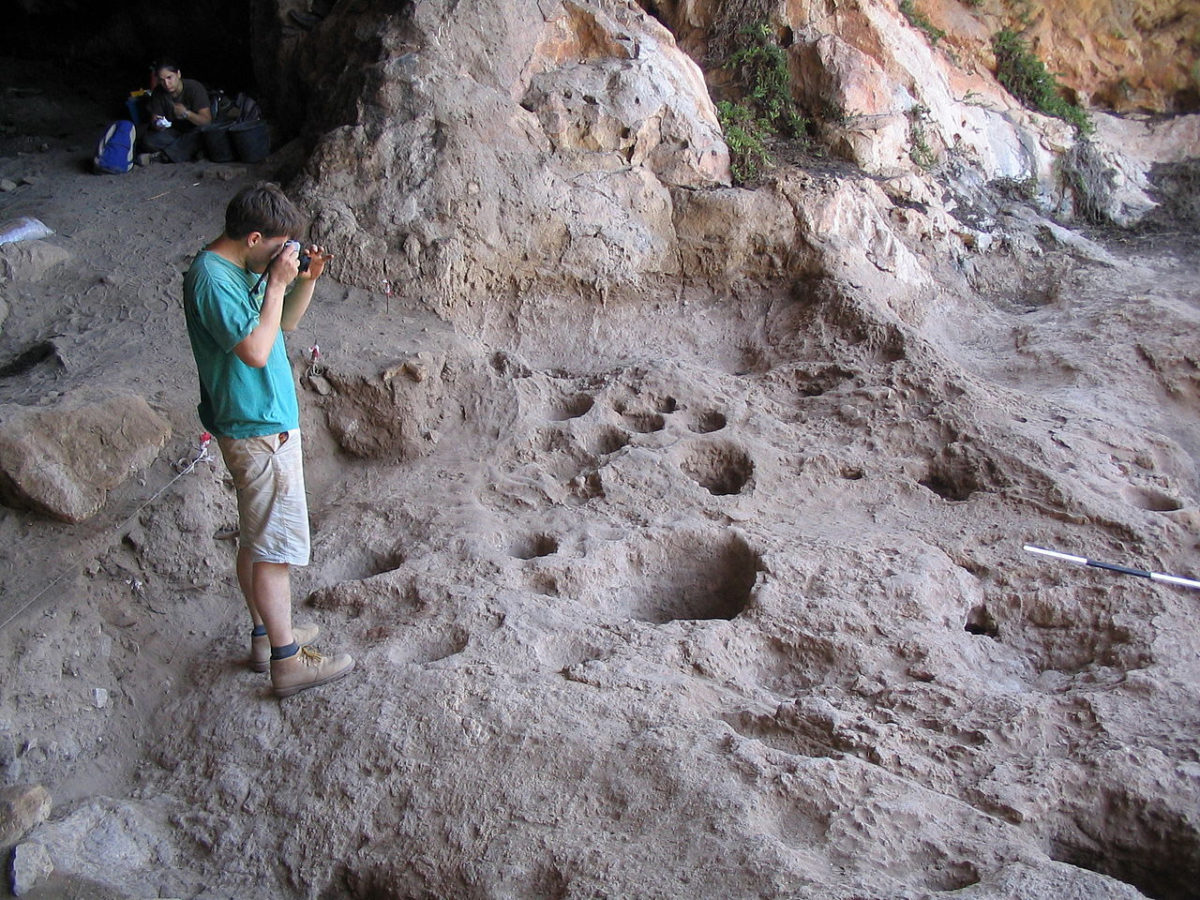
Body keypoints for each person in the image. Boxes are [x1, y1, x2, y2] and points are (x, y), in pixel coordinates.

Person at [183, 182, 354, 698]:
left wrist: (304, 282)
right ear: (253, 236)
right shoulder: (212, 280)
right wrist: (278, 282)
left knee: (258, 541)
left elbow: (284, 326)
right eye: (277, 245)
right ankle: (287, 660)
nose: (283, 255)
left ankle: (265, 636)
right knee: (274, 550)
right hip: (256, 427)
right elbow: (256, 352)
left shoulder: (239, 269)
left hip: (262, 421)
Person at [139, 58, 212, 164]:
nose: (167, 84)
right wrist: (158, 124)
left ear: (178, 74)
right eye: (162, 80)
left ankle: (163, 156)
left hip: (194, 130)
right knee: (148, 141)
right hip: (175, 133)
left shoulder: (194, 88)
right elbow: (155, 119)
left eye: (169, 78)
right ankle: (189, 151)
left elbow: (207, 121)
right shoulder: (158, 92)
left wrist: (186, 113)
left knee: (201, 134)